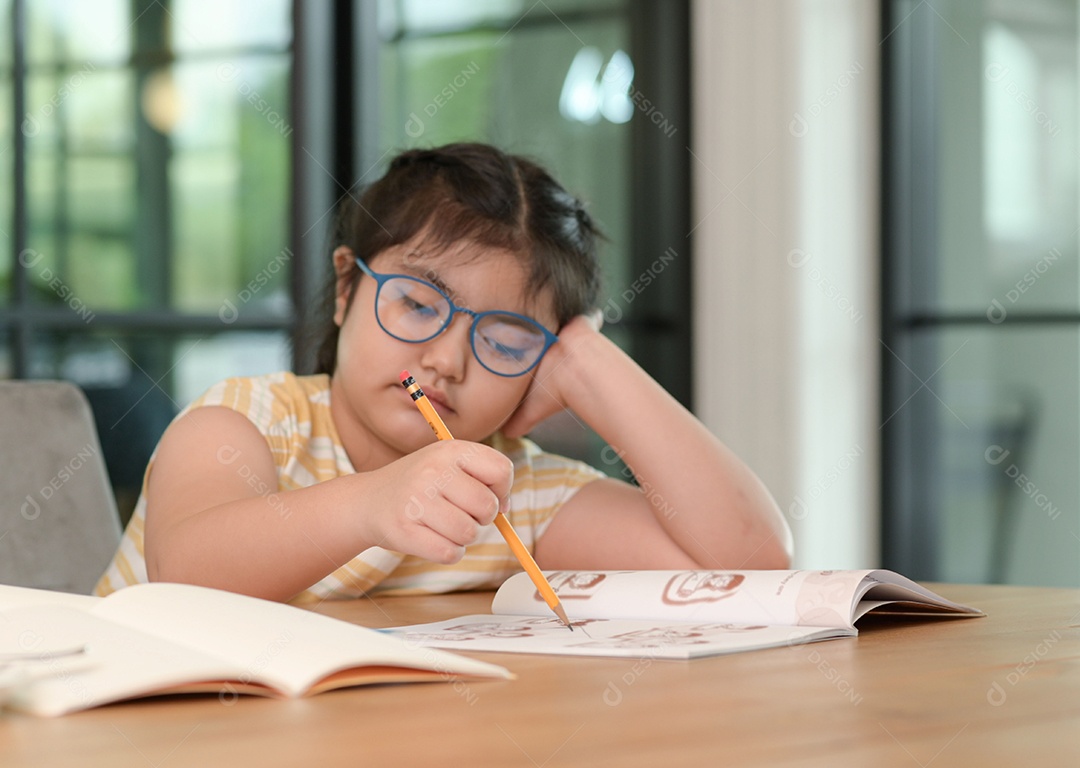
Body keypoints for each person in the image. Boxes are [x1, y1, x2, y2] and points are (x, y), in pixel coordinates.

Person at [95, 143, 791, 603]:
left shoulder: (510, 491)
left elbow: (750, 562)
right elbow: (186, 573)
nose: (446, 361)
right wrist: (373, 504)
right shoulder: (247, 419)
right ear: (346, 289)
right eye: (419, 305)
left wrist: (587, 362)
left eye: (508, 342)